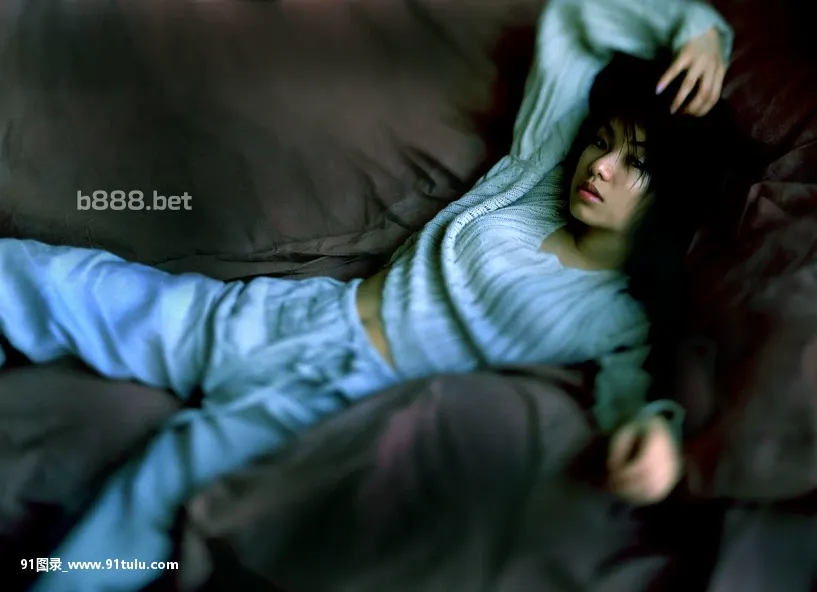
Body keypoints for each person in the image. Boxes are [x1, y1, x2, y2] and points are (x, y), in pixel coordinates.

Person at [0, 0, 734, 590]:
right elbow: (575, 22)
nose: (600, 167)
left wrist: (656, 436)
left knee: (147, 500)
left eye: (633, 164)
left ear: (666, 199)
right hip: (286, 318)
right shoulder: (529, 187)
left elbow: (633, 397)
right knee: (65, 285)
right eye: (602, 142)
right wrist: (696, 26)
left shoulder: (611, 313)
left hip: (324, 400)